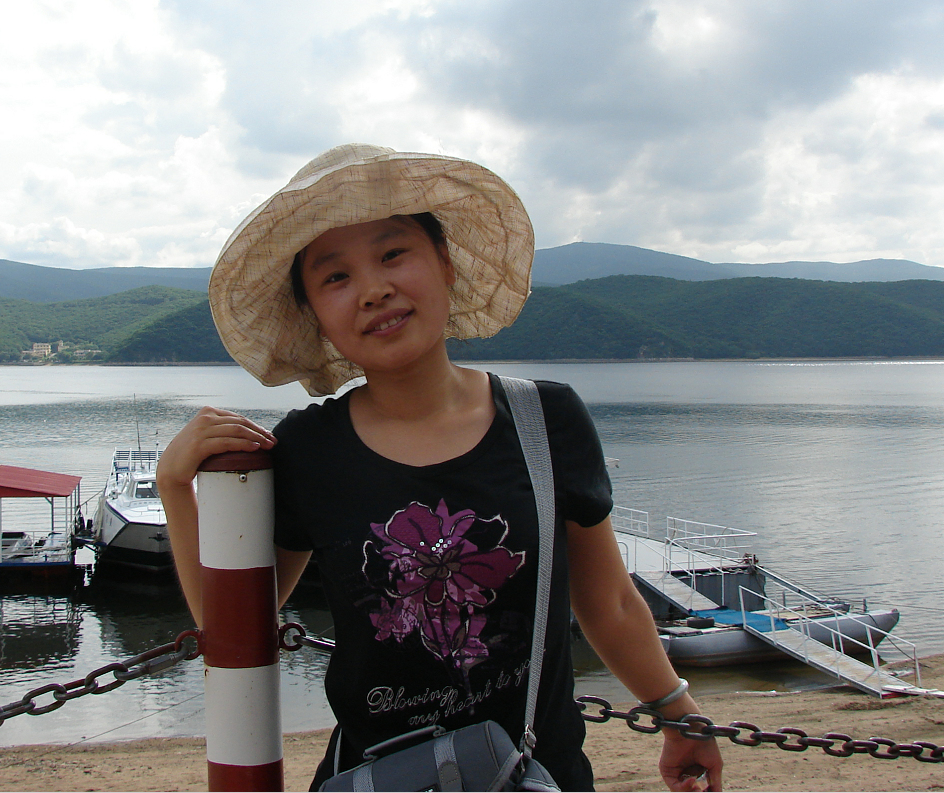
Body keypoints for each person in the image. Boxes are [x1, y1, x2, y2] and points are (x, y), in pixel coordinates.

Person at [157, 143, 724, 791]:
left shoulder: (546, 421)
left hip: (538, 773)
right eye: (335, 277)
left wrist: (677, 712)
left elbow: (610, 601)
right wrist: (175, 486)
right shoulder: (309, 448)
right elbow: (239, 626)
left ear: (447, 263)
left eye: (393, 254)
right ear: (313, 314)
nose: (374, 289)